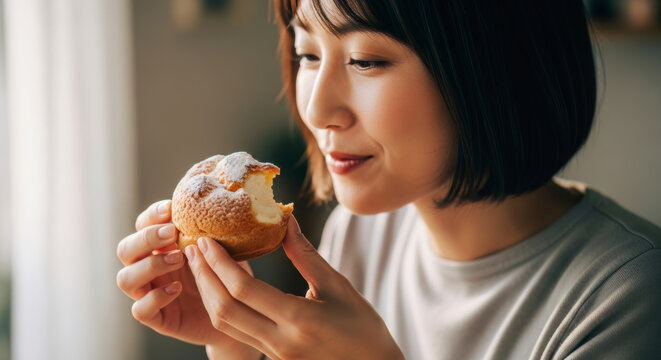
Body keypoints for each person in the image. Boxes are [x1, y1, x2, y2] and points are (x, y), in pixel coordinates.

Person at [116, 0, 661, 359]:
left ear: (494, 68)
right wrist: (234, 341)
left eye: (367, 60)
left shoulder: (627, 299)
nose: (317, 107)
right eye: (307, 53)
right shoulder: (360, 237)